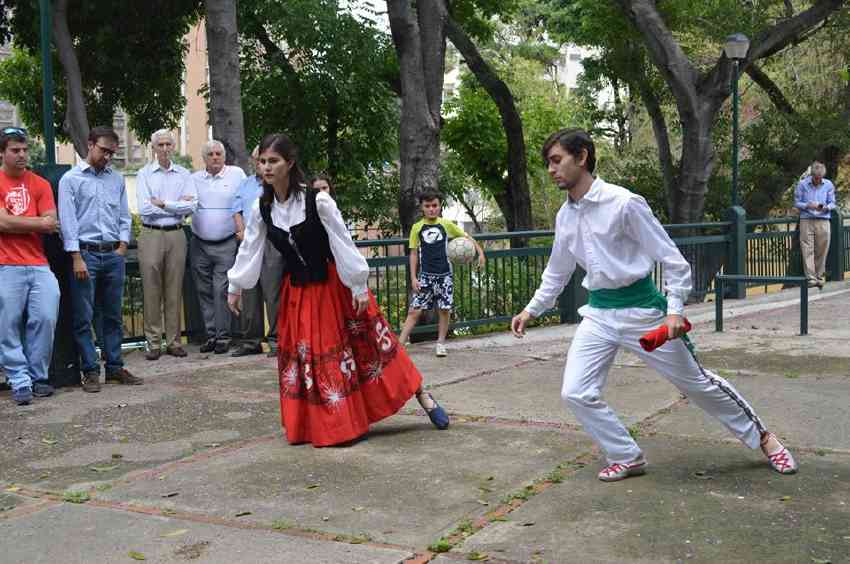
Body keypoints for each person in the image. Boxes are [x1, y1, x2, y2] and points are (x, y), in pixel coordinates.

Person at [511, 128, 797, 482]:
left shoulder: (624, 203)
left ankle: (766, 439)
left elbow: (672, 260)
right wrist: (531, 309)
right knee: (576, 392)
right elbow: (557, 271)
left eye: (557, 160)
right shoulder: (565, 216)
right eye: (548, 163)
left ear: (582, 156)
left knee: (697, 384)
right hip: (598, 314)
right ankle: (626, 456)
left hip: (644, 311)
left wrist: (675, 309)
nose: (551, 170)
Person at [227, 133, 449, 447]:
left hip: (336, 286)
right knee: (309, 360)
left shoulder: (317, 201)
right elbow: (250, 248)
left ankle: (423, 395)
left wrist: (359, 286)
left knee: (374, 346)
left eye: (273, 161)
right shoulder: (261, 207)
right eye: (262, 161)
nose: (266, 167)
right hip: (299, 294)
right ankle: (323, 423)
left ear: (289, 163)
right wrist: (235, 285)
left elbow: (342, 242)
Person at [59, 126, 143, 392]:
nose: (108, 157)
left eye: (112, 153)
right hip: (85, 253)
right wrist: (76, 256)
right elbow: (68, 220)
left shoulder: (116, 179)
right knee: (84, 315)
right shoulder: (70, 180)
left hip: (112, 255)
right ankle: (90, 370)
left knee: (113, 315)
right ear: (90, 144)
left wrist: (122, 246)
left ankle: (115, 367)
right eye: (104, 150)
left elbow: (123, 216)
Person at [0, 127, 61, 405]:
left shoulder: (40, 184)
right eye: (15, 150)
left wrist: (16, 223)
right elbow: (3, 223)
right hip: (5, 264)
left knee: (46, 316)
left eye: (24, 149)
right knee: (8, 323)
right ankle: (20, 379)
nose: (22, 154)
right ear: (2, 153)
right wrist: (37, 223)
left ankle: (39, 376)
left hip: (38, 263)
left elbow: (52, 222)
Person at [397, 191, 485, 356]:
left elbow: (466, 237)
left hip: (445, 277)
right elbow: (414, 254)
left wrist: (480, 252)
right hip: (425, 277)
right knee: (414, 310)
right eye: (427, 206)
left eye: (435, 205)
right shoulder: (417, 228)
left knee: (444, 310)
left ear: (439, 206)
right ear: (422, 208)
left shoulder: (446, 224)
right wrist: (413, 278)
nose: (431, 209)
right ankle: (399, 345)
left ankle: (440, 344)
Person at [136, 129, 196, 360]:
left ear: (173, 146)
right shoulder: (143, 174)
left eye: (168, 144)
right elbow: (144, 209)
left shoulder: (184, 174)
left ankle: (173, 341)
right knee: (151, 290)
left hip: (177, 234)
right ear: (153, 147)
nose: (164, 148)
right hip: (151, 234)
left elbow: (191, 207)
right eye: (160, 144)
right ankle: (153, 342)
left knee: (174, 289)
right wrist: (176, 204)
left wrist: (162, 204)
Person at [191, 140, 246, 354]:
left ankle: (224, 336)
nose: (215, 157)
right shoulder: (194, 178)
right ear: (204, 158)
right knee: (203, 290)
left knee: (221, 289)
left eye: (218, 153)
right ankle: (211, 334)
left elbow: (243, 202)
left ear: (224, 156)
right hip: (199, 243)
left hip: (226, 241)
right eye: (211, 154)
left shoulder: (236, 174)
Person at [230, 147, 285, 358]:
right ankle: (250, 341)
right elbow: (236, 209)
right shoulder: (245, 184)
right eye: (259, 160)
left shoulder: (277, 185)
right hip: (249, 242)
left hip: (271, 243)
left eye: (267, 160)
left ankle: (276, 340)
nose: (262, 164)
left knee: (272, 293)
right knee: (249, 291)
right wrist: (241, 230)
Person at [794, 160, 836, 289]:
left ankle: (820, 276)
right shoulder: (802, 184)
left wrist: (826, 207)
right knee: (807, 249)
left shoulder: (828, 184)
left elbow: (833, 203)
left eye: (820, 178)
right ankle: (811, 278)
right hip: (806, 219)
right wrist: (807, 205)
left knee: (822, 249)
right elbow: (796, 202)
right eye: (816, 178)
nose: (818, 180)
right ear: (812, 175)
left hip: (823, 220)